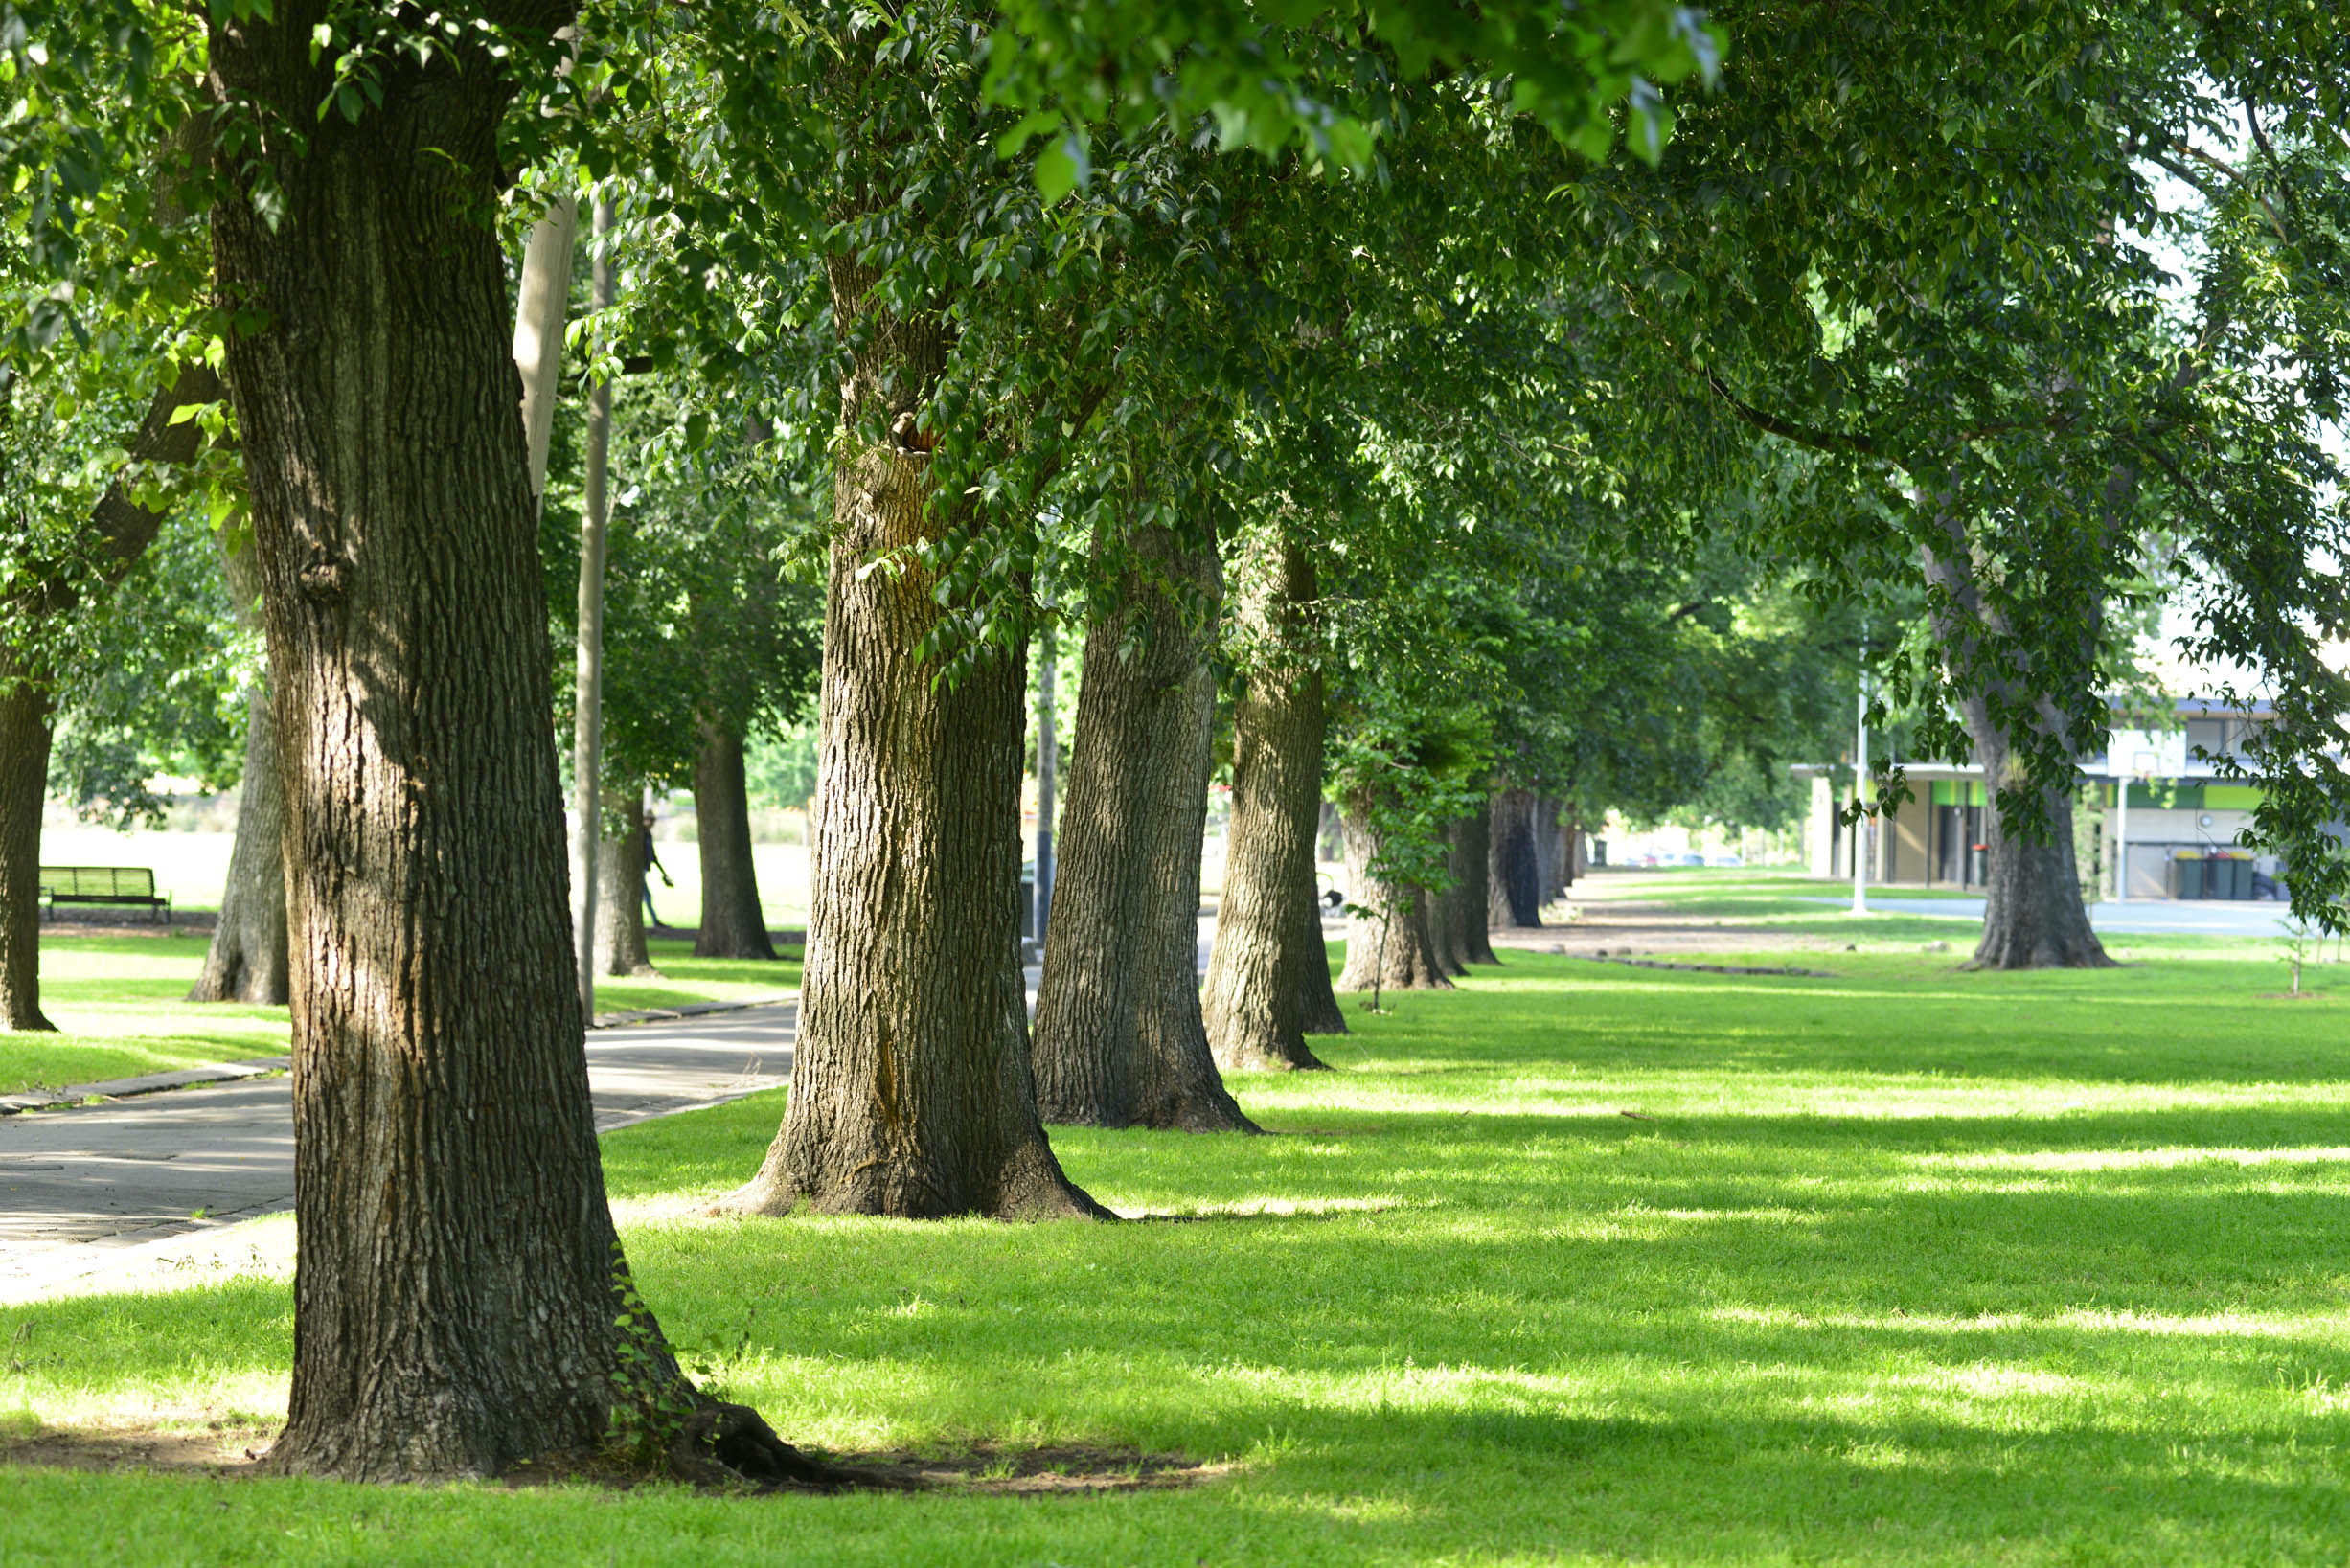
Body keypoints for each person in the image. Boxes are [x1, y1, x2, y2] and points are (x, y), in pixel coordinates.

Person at [642, 809, 673, 928]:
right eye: (647, 819)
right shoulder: (641, 834)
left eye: (651, 820)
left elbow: (653, 855)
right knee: (647, 896)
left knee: (645, 897)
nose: (649, 822)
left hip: (644, 869)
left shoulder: (648, 835)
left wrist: (663, 872)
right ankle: (655, 921)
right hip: (640, 871)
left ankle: (654, 921)